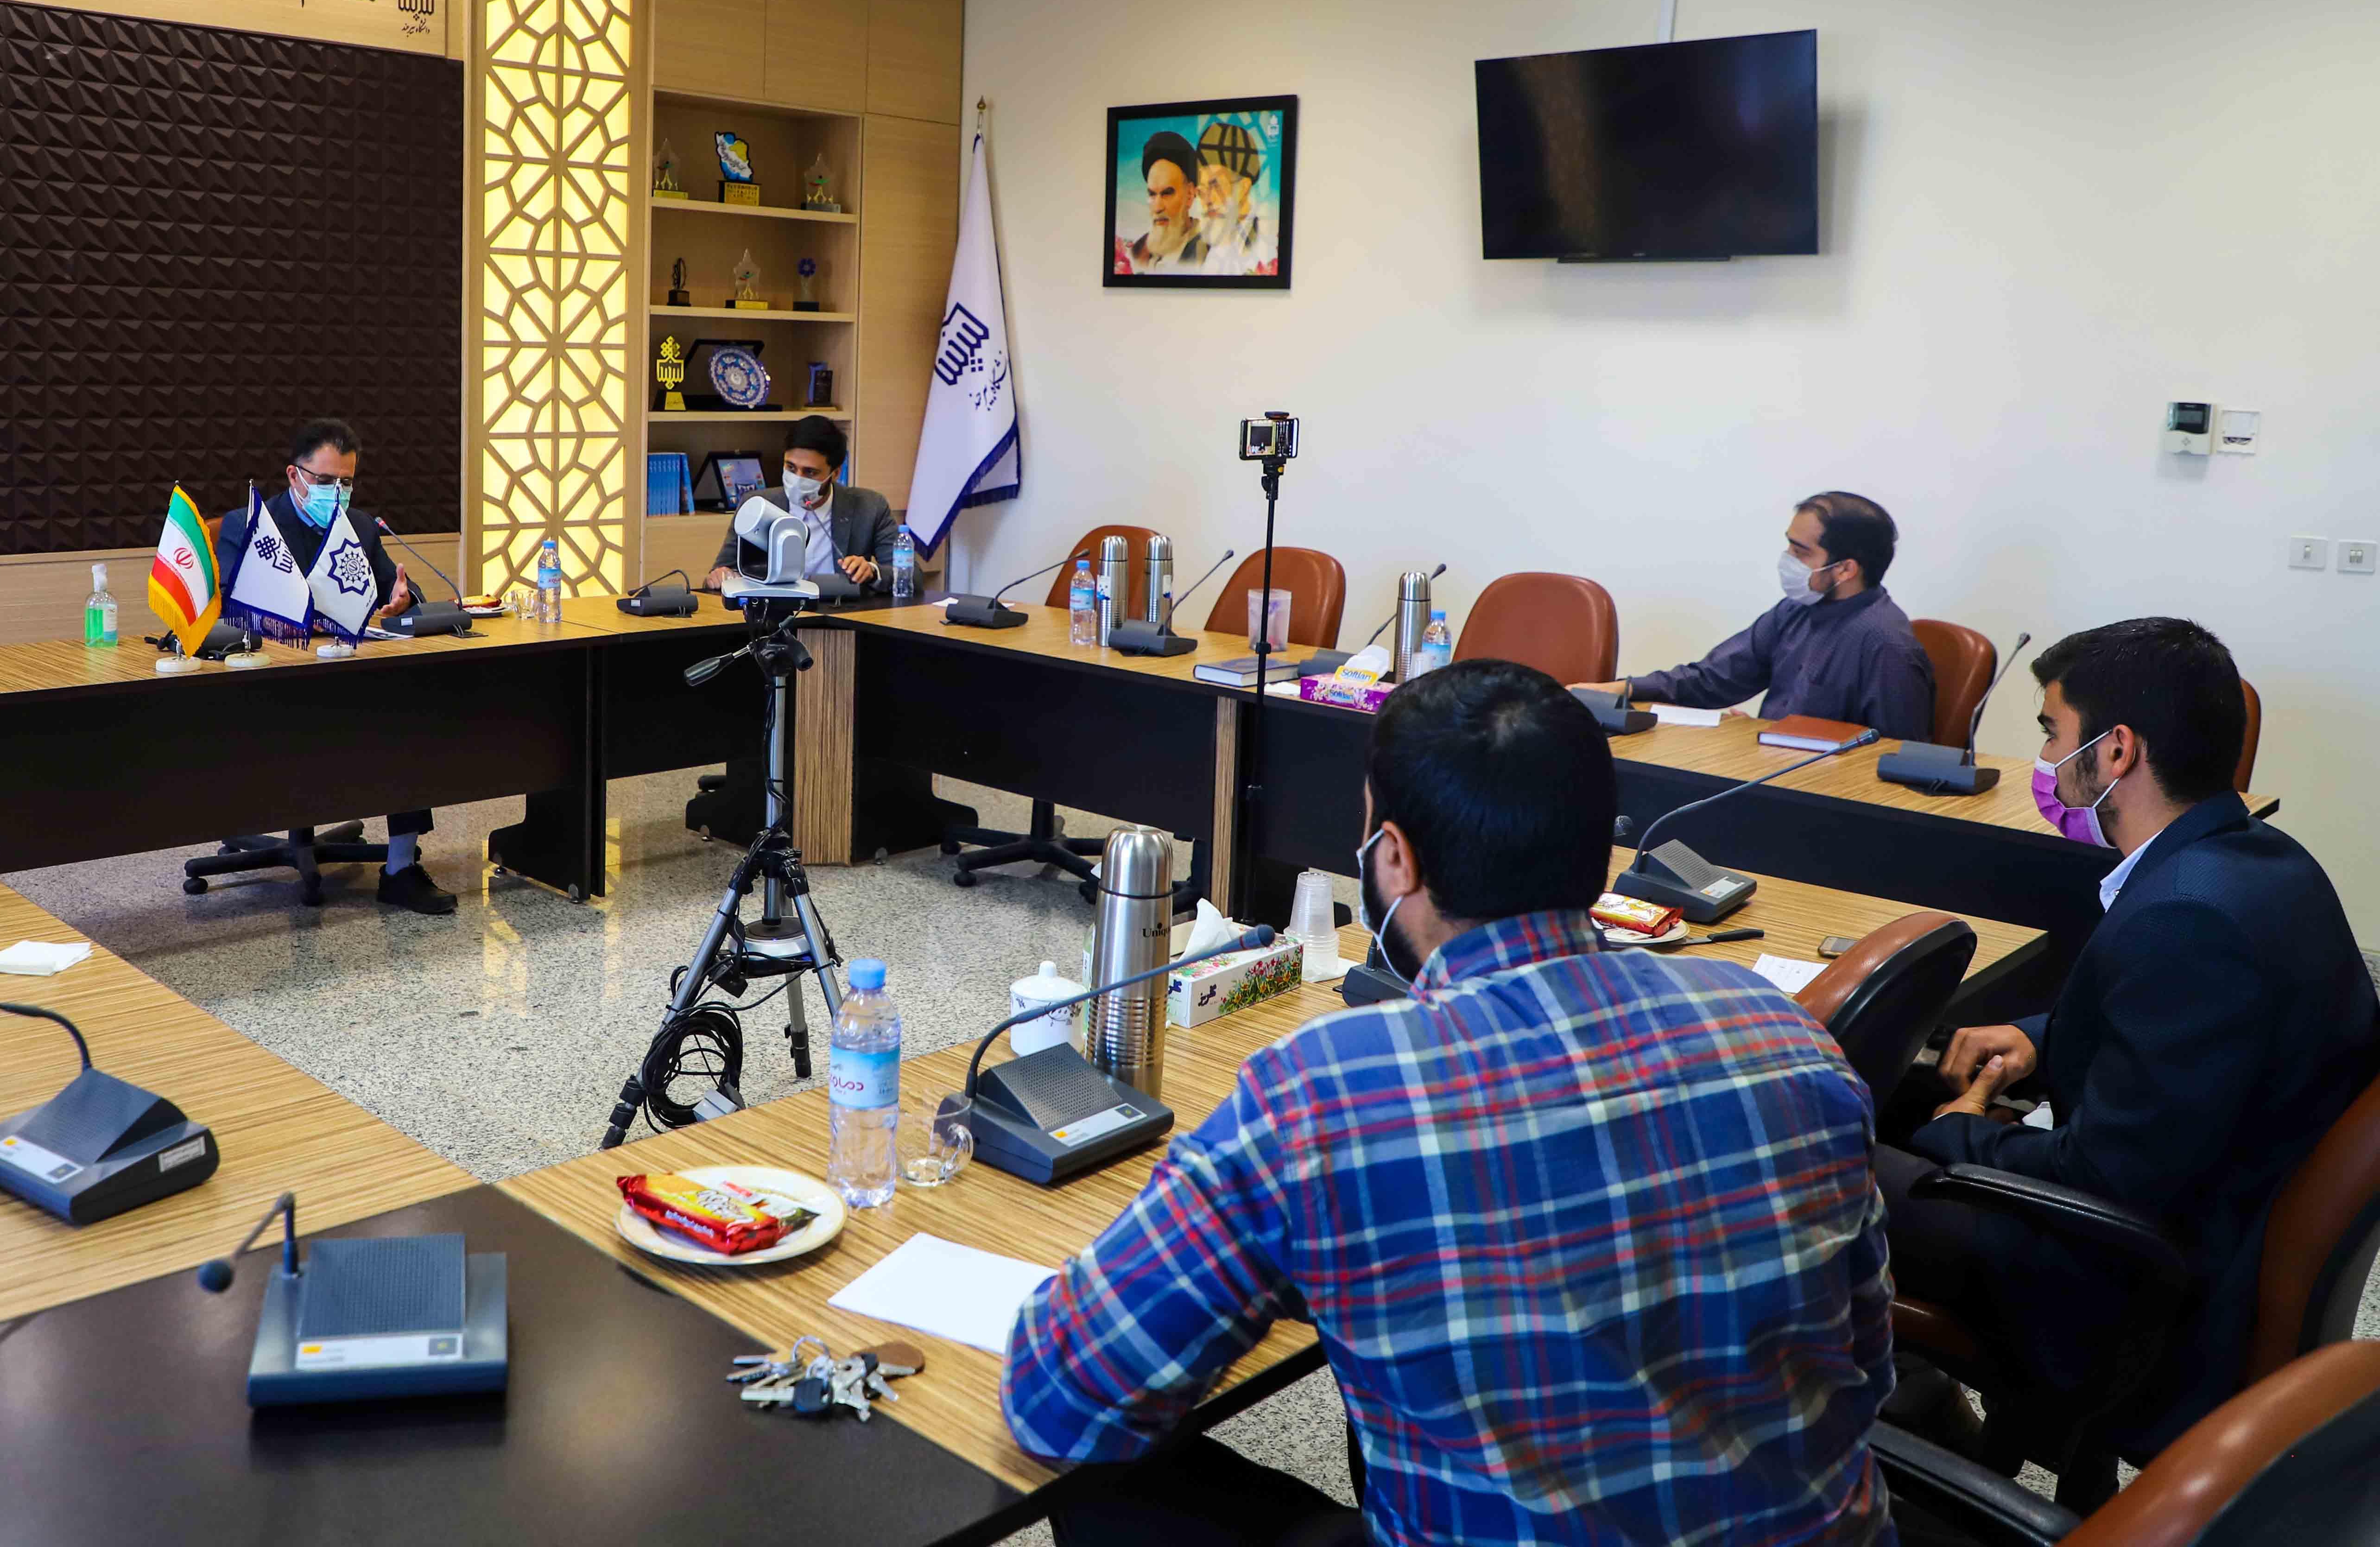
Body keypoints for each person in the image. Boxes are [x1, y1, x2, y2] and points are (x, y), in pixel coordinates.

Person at [1002, 660, 1896, 1546]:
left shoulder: (1322, 1095)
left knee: (1105, 1486)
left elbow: (1061, 1400)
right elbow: (1865, 1363)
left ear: (1394, 858)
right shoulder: (1786, 1030)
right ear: (1600, 851)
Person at [1876, 617, 2376, 1464]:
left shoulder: (2186, 918)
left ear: (2115, 752)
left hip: (2137, 1282)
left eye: (2052, 734)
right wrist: (2039, 1039)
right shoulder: (2261, 859)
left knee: (1819, 1172)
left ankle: (1890, 1422)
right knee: (1893, 1105)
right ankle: (1921, 1405)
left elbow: (2103, 1176)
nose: (2045, 760)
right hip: (2204, 1205)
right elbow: (2187, 1029)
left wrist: (1961, 1132)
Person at [212, 418, 450, 915]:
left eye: (346, 482)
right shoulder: (251, 524)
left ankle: (401, 870)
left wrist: (403, 600)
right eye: (324, 480)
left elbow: (400, 590)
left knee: (413, 710)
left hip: (348, 677)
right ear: (294, 475)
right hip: (274, 685)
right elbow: (234, 609)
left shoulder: (359, 525)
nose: (335, 492)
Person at [1583, 489, 1936, 741]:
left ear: (1845, 569)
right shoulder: (1796, 610)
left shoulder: (1887, 645)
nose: (1788, 559)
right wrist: (1623, 688)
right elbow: (1712, 680)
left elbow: (1895, 758)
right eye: (1789, 545)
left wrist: (1776, 739)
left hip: (1821, 802)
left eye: (1800, 552)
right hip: (1770, 774)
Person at [704, 415, 899, 594]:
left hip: (843, 612)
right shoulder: (756, 505)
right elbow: (722, 572)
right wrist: (720, 576)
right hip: (774, 613)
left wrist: (872, 571)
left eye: (810, 472)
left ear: (835, 474)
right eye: (791, 467)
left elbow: (907, 574)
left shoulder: (870, 506)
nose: (797, 479)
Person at [1111, 129, 1209, 273]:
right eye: (1152, 194)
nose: (1157, 208)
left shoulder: (1210, 252)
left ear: (1190, 195)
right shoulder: (1137, 253)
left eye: (1167, 194)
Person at [1194, 117, 1277, 276]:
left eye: (1215, 186)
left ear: (1244, 187)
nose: (1207, 200)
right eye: (1202, 190)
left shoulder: (1267, 242)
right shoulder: (1203, 247)